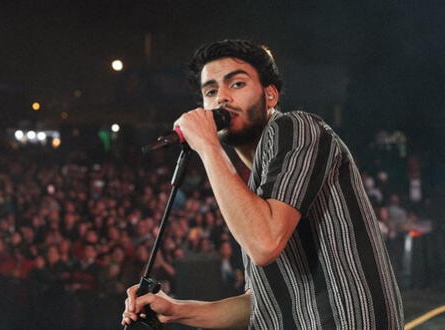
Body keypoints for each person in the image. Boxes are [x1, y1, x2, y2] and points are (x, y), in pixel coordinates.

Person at [122, 39, 403, 329]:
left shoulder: (296, 128)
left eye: (237, 84)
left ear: (270, 95)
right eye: (211, 90)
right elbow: (265, 305)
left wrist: (208, 147)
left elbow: (264, 243)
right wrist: (177, 309)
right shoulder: (255, 190)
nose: (222, 98)